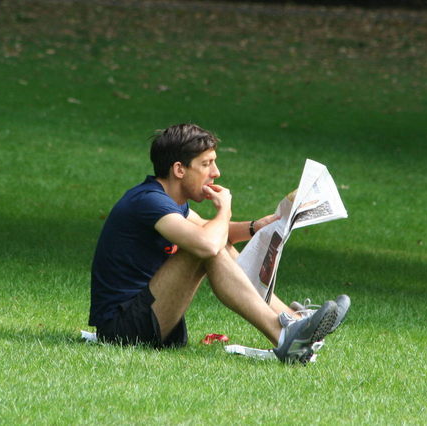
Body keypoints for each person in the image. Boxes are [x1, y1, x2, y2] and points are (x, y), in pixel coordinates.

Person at [88, 123, 349, 364]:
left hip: (149, 318)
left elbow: (212, 233)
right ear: (179, 169)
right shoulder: (148, 201)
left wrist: (258, 226)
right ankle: (283, 334)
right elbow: (207, 245)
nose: (216, 172)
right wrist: (225, 210)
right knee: (205, 249)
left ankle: (294, 322)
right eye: (207, 164)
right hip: (122, 329)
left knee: (215, 243)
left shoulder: (170, 201)